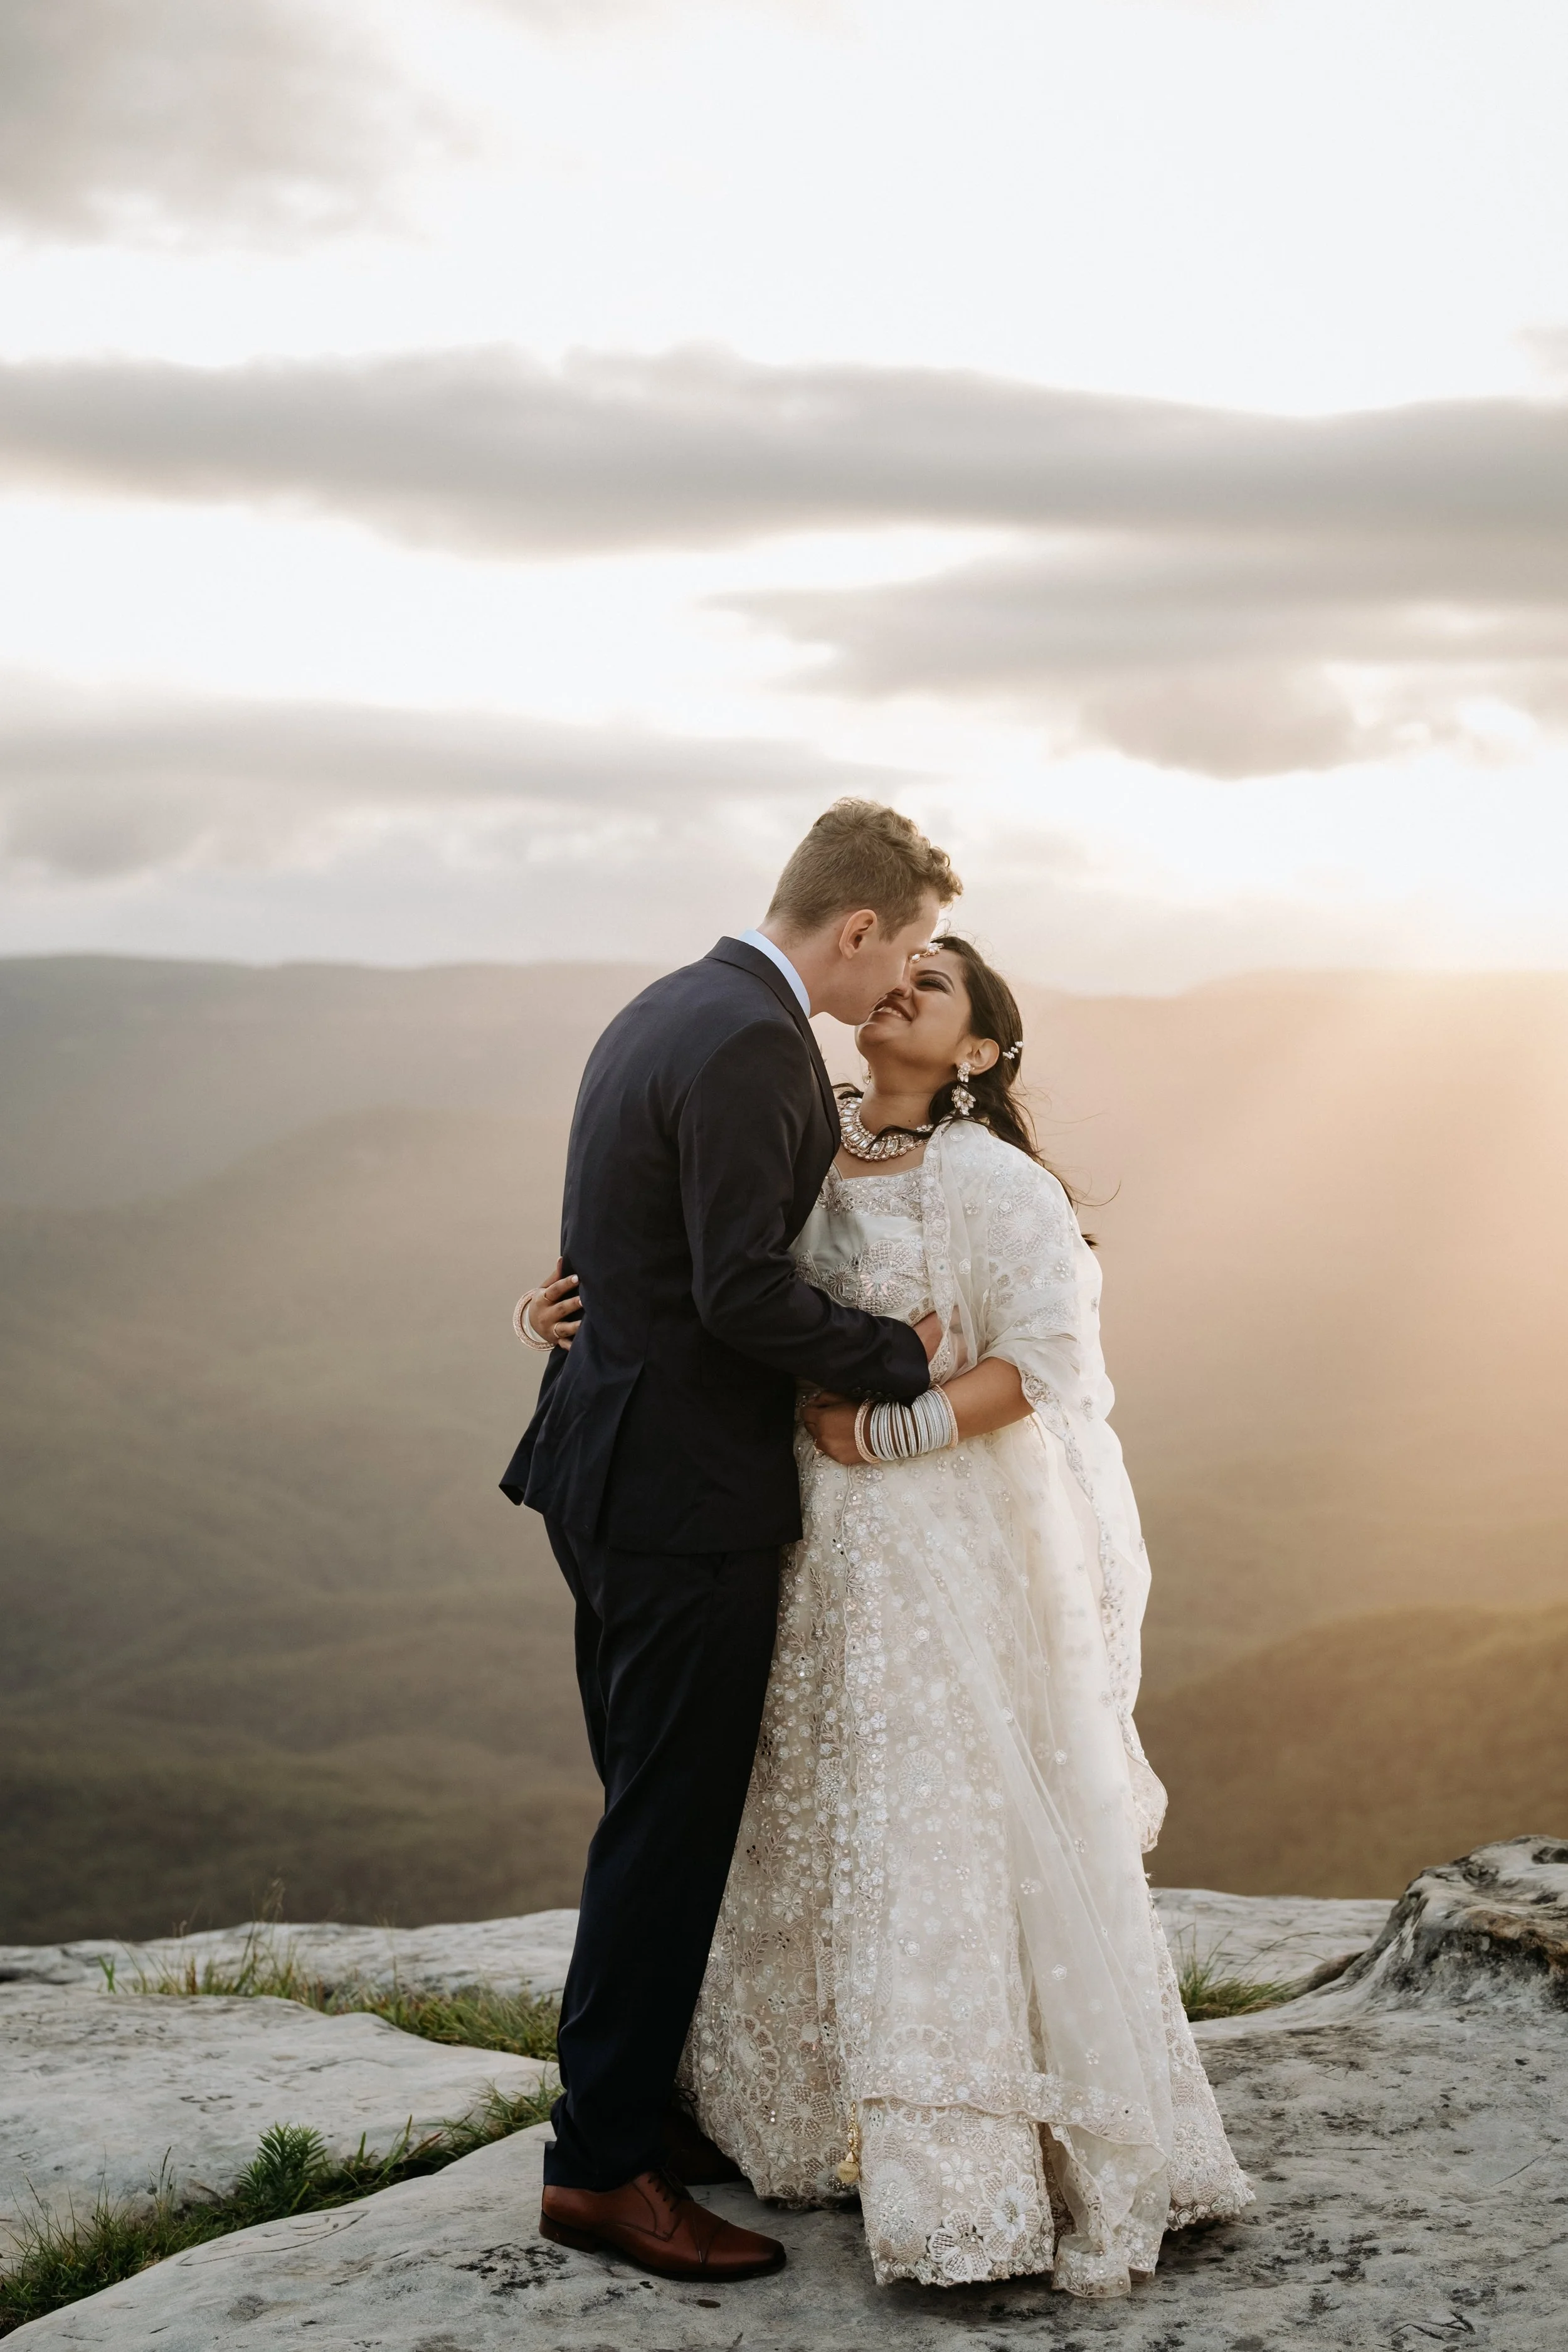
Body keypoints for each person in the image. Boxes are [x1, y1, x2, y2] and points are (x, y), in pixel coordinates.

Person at [526, 933, 1253, 2299]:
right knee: (790, 1814)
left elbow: (1041, 1361)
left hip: (920, 1544)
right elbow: (714, 1270)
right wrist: (562, 1306)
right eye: (902, 965)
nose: (908, 987)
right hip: (786, 1534)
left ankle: (954, 2152)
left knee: (923, 1816)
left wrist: (894, 1429)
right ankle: (786, 2109)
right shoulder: (809, 1134)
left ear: (979, 1052)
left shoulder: (991, 1180)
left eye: (943, 984)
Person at [500, 799, 960, 2284]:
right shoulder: (759, 1043)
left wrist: (557, 1311)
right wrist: (901, 1355)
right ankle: (599, 2173)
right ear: (856, 928)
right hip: (681, 1497)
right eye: (913, 947)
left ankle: (631, 2112)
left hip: (602, 1465)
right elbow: (740, 1292)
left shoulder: (666, 1002)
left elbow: (606, 1240)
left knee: (652, 1800)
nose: (908, 978)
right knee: (668, 1822)